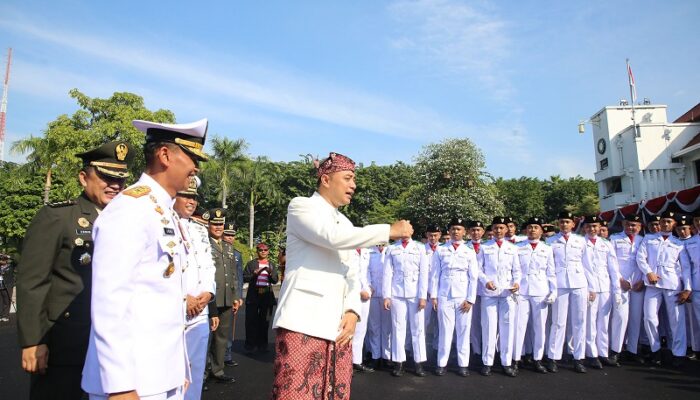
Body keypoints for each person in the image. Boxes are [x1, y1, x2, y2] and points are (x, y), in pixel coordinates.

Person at [82, 119, 207, 399]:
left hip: (161, 376)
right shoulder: (130, 209)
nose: (195, 168)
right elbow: (110, 303)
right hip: (133, 382)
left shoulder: (162, 211)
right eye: (191, 158)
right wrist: (120, 386)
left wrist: (179, 371)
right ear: (164, 156)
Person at [270, 152, 413, 400]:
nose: (353, 186)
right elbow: (331, 237)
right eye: (347, 178)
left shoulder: (346, 223)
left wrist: (352, 310)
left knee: (334, 393)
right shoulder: (301, 206)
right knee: (295, 393)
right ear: (326, 179)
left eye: (353, 180)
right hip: (303, 321)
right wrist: (388, 231)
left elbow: (352, 272)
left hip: (338, 328)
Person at [15, 141, 134, 400]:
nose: (114, 184)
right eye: (105, 176)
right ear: (83, 177)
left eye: (120, 179)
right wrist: (33, 341)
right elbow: (32, 281)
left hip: (111, 347)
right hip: (65, 343)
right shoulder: (58, 217)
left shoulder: (126, 222)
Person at [174, 176, 216, 400]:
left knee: (195, 370)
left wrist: (208, 293)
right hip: (176, 309)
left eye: (194, 198)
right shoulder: (164, 222)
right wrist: (183, 299)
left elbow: (208, 264)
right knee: (172, 373)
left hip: (200, 311)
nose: (191, 202)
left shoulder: (200, 229)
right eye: (186, 196)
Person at [637, 211, 691, 367]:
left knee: (676, 320)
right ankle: (656, 350)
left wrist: (687, 288)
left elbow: (686, 267)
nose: (665, 224)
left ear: (674, 224)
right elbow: (641, 257)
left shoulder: (679, 243)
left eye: (669, 222)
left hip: (672, 284)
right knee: (649, 317)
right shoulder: (649, 239)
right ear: (659, 223)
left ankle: (678, 354)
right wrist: (648, 272)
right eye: (663, 221)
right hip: (653, 284)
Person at [430, 218, 479, 377]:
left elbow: (473, 277)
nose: (455, 232)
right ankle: (442, 363)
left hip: (463, 297)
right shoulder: (441, 250)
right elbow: (435, 275)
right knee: (445, 331)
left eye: (459, 229)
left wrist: (471, 299)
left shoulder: (469, 251)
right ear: (449, 231)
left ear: (464, 232)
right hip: (445, 296)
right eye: (453, 229)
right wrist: (434, 296)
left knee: (463, 331)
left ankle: (463, 364)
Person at [478, 217, 521, 377]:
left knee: (507, 328)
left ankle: (506, 362)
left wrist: (517, 283)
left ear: (506, 229)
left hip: (507, 293)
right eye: (496, 228)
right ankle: (487, 362)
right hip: (489, 293)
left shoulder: (512, 248)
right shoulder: (484, 247)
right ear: (492, 229)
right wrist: (485, 281)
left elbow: (517, 270)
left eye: (501, 228)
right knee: (489, 328)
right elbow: (478, 269)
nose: (498, 231)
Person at [546, 211, 588, 374]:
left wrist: (590, 288)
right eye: (562, 222)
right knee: (558, 321)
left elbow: (587, 265)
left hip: (579, 283)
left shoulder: (580, 241)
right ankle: (553, 357)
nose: (564, 225)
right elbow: (548, 266)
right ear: (558, 223)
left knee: (579, 321)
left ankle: (579, 357)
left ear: (573, 224)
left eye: (567, 222)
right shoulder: (550, 241)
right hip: (560, 283)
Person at [514, 217, 557, 374]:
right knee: (519, 326)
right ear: (526, 230)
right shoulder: (518, 247)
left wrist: (554, 290)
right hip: (522, 291)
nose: (532, 230)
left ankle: (538, 358)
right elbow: (515, 270)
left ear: (541, 230)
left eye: (536, 227)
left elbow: (551, 272)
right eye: (530, 227)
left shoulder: (547, 248)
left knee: (539, 327)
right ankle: (517, 357)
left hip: (540, 290)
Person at [382, 235, 429, 377]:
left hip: (415, 294)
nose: (405, 233)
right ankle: (399, 362)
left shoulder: (419, 247)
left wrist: (422, 296)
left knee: (418, 329)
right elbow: (387, 273)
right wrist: (386, 296)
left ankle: (419, 362)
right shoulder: (392, 248)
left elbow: (424, 274)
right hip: (397, 293)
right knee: (398, 328)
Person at [580, 215, 622, 369]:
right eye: (589, 226)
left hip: (605, 287)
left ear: (599, 227)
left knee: (603, 323)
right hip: (589, 287)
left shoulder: (606, 244)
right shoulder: (580, 243)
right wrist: (587, 287)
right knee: (590, 322)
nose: (592, 229)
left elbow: (613, 267)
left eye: (595, 226)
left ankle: (603, 353)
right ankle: (591, 354)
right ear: (584, 228)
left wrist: (616, 290)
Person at [207, 208, 242, 383]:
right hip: (211, 298)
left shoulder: (228, 247)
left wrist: (235, 297)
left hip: (227, 297)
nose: (219, 227)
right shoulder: (204, 244)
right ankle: (202, 374)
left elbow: (233, 274)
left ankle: (218, 370)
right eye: (215, 224)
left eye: (220, 224)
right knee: (206, 337)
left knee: (222, 336)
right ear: (209, 224)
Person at [609, 214, 645, 364]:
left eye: (634, 225)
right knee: (620, 317)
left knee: (636, 318)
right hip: (621, 284)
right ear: (624, 224)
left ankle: (632, 350)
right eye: (629, 224)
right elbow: (611, 261)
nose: (631, 227)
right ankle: (616, 350)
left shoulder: (643, 240)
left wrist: (643, 281)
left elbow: (647, 261)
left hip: (637, 284)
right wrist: (619, 279)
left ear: (640, 227)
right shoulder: (615, 238)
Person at [243, 243, 279, 353]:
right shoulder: (251, 264)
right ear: (257, 251)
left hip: (266, 295)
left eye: (265, 250)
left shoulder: (272, 265)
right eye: (260, 250)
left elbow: (275, 280)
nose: (263, 251)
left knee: (264, 322)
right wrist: (254, 274)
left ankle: (262, 345)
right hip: (253, 294)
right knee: (251, 321)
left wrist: (270, 273)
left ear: (268, 251)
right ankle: (250, 345)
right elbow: (245, 278)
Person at [221, 223, 244, 367]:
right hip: (218, 294)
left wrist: (239, 296)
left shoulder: (237, 255)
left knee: (228, 327)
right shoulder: (215, 250)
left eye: (232, 235)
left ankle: (227, 355)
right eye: (227, 235)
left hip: (231, 295)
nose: (229, 238)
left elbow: (239, 278)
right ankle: (212, 359)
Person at [366, 244, 391, 370]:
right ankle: (375, 356)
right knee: (374, 327)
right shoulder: (369, 252)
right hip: (374, 293)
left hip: (388, 295)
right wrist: (369, 285)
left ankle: (386, 356)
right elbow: (365, 271)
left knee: (387, 328)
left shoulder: (391, 250)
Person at [350, 247, 374, 373]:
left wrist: (369, 286)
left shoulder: (365, 251)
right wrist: (359, 291)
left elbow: (367, 271)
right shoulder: (346, 249)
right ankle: (346, 362)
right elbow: (345, 274)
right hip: (351, 293)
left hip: (366, 293)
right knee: (349, 329)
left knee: (361, 329)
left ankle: (357, 361)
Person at [466, 220, 485, 358]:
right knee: (472, 322)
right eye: (473, 230)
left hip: (486, 289)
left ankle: (486, 348)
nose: (476, 233)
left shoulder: (488, 246)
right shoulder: (465, 247)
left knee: (485, 321)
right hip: (469, 289)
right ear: (469, 232)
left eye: (478, 230)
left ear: (483, 232)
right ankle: (475, 349)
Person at [423, 224, 442, 352]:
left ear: (439, 235)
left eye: (435, 235)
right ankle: (420, 348)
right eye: (430, 235)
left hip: (442, 292)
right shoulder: (421, 250)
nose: (433, 238)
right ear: (426, 235)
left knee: (440, 323)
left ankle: (437, 347)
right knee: (423, 322)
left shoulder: (443, 249)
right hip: (425, 293)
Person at [0, 254, 14, 322]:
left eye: (3, 259)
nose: (1, 261)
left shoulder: (10, 266)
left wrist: (8, 256)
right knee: (1, 301)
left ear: (6, 260)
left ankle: (6, 316)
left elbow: (16, 261)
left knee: (7, 301)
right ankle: (1, 315)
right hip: (0, 286)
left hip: (7, 286)